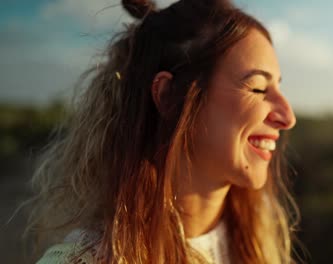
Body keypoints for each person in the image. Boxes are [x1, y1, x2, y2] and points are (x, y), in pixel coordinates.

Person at [27, 0, 299, 263]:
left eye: (279, 87)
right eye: (258, 88)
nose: (288, 117)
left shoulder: (258, 234)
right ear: (169, 96)